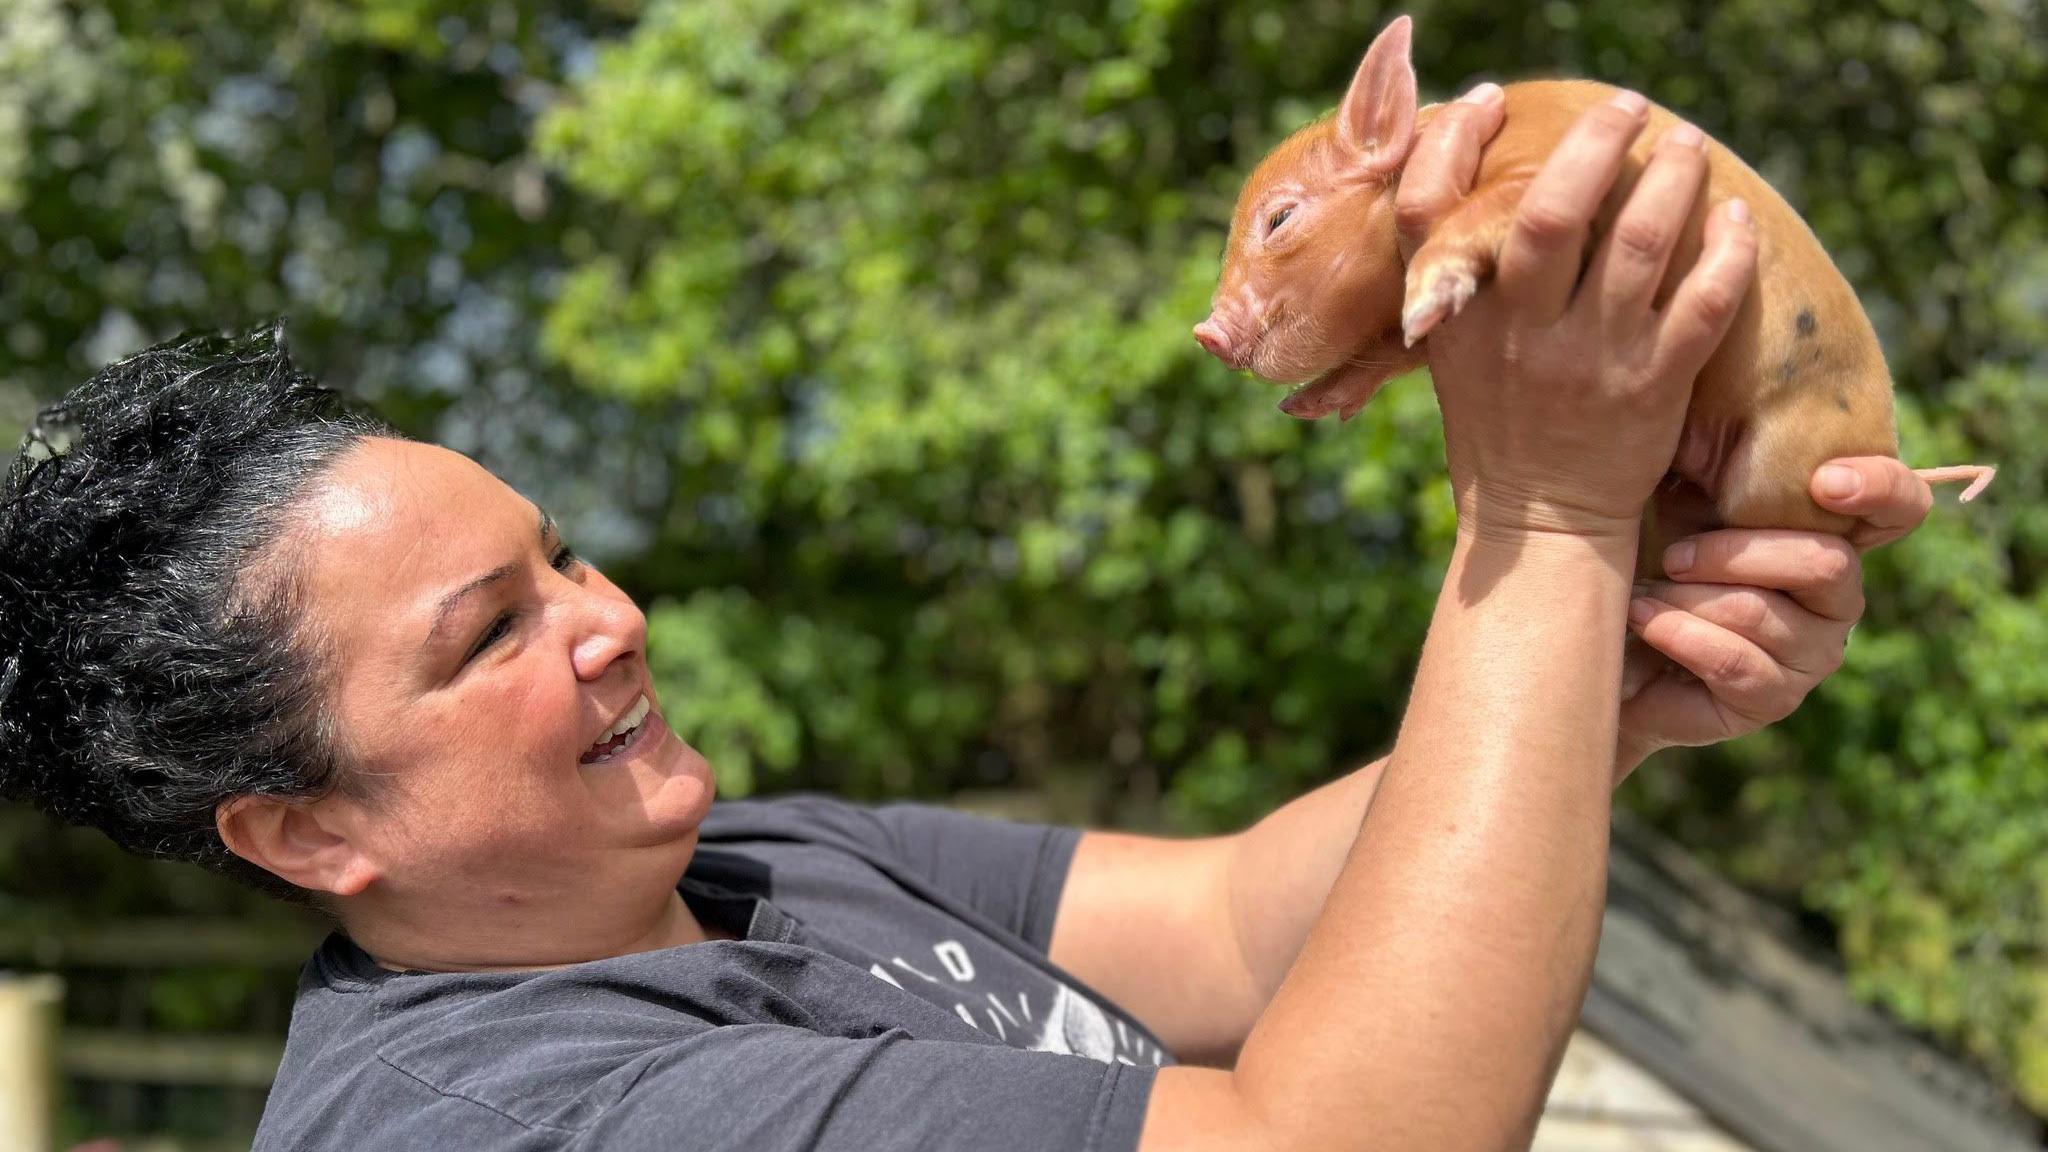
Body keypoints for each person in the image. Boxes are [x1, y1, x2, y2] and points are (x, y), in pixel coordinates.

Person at [0, 91, 1935, 1152]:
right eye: (487, 634)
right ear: (301, 829)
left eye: (566, 556)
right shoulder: (529, 1119)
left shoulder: (750, 864)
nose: (609, 621)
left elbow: (1250, 924)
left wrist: (1599, 688)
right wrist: (1546, 512)